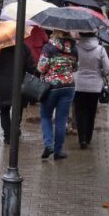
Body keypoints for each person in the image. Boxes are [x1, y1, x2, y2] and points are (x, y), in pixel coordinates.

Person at [36, 29, 78, 160]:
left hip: (51, 87)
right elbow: (75, 67)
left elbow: (41, 68)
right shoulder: (73, 48)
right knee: (61, 119)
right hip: (68, 86)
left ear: (55, 32)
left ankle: (49, 144)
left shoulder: (48, 47)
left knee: (46, 116)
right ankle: (58, 151)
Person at [0, 44, 36, 144]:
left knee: (4, 111)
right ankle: (15, 131)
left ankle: (7, 136)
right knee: (18, 110)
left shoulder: (0, 49)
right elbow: (31, 68)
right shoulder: (24, 47)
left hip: (3, 85)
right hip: (19, 85)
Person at [73, 32, 109, 148]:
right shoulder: (100, 49)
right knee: (91, 112)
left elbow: (72, 65)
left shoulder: (75, 47)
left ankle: (82, 140)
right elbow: (108, 69)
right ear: (94, 35)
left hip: (78, 85)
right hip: (95, 86)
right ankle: (88, 138)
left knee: (80, 112)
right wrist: (100, 73)